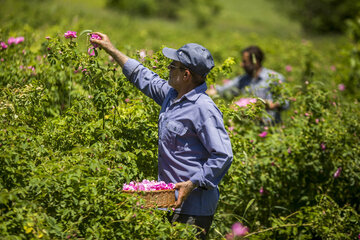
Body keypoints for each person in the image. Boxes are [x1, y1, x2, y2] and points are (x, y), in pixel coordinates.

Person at [90, 33, 233, 239]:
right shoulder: (171, 95)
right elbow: (143, 76)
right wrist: (111, 49)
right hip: (165, 203)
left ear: (186, 75)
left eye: (173, 66)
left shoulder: (203, 108)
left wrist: (192, 183)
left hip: (193, 209)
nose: (168, 69)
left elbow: (223, 155)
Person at [207, 46, 289, 125]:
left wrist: (271, 104)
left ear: (255, 62)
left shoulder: (275, 78)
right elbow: (223, 89)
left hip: (270, 128)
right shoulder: (243, 79)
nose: (241, 65)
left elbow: (286, 102)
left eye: (244, 61)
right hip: (249, 128)